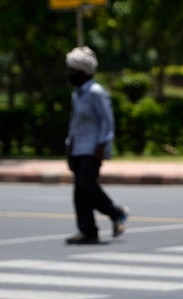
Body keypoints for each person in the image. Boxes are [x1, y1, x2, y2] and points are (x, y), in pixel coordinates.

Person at [64, 46, 127, 245]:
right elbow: (75, 123)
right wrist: (69, 146)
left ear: (84, 72)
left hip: (92, 149)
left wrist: (102, 147)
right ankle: (88, 231)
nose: (71, 74)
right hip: (78, 149)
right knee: (79, 193)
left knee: (87, 186)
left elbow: (107, 122)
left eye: (74, 71)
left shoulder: (96, 92)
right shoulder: (77, 94)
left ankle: (115, 212)